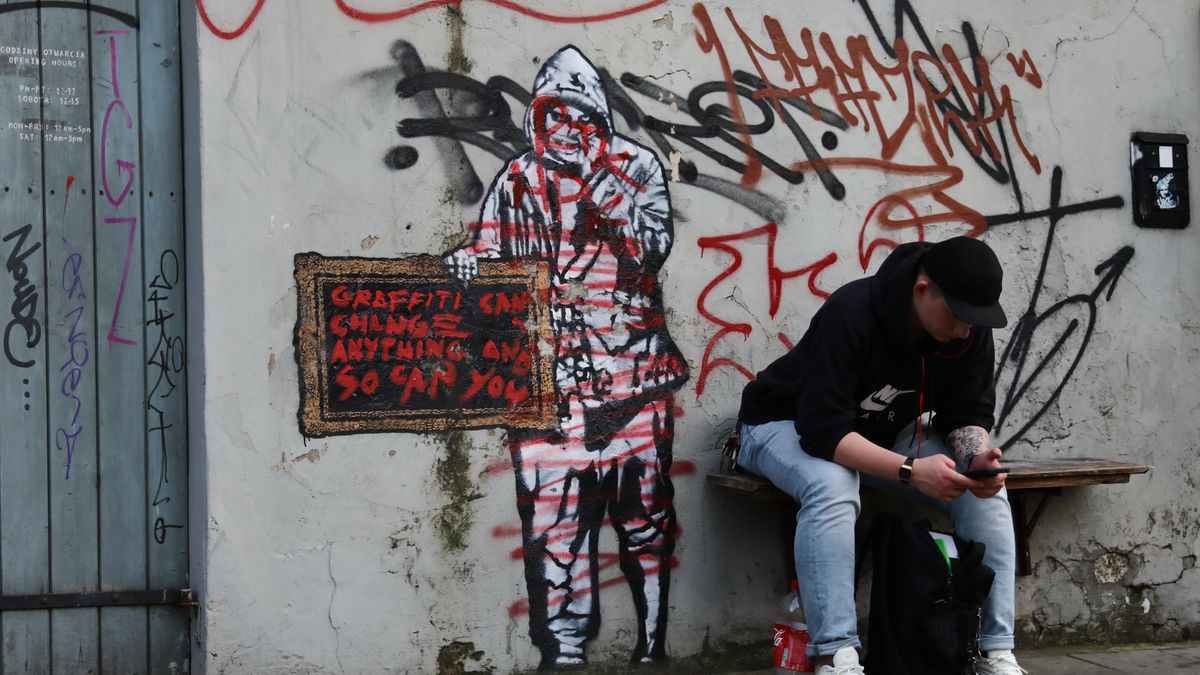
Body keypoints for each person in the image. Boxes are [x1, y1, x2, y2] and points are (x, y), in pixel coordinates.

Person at [443, 46, 688, 669]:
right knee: (554, 533)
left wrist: (607, 202)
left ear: (600, 124)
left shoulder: (637, 168)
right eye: (556, 117)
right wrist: (470, 265)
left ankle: (654, 643)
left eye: (582, 120)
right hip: (545, 389)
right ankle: (566, 654)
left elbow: (651, 251)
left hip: (633, 381)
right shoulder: (518, 180)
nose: (568, 132)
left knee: (645, 520)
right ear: (539, 119)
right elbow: (493, 258)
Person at [736, 236, 1025, 675]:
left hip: (883, 433)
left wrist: (975, 461)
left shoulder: (969, 327)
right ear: (922, 289)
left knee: (986, 497)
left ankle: (993, 652)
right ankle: (836, 655)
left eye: (976, 320)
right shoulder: (852, 312)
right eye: (958, 315)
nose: (966, 329)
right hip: (781, 425)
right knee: (832, 485)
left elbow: (967, 412)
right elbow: (823, 433)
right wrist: (910, 471)